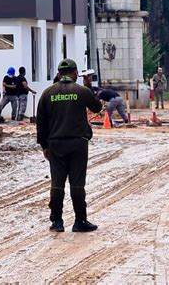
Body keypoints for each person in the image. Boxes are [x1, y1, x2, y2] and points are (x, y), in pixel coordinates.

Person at [36, 58, 102, 233]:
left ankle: (56, 222)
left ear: (59, 74)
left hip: (55, 144)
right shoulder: (81, 91)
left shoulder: (47, 93)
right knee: (77, 183)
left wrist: (44, 145)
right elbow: (97, 107)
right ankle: (80, 221)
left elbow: (40, 123)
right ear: (75, 73)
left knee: (57, 183)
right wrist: (88, 85)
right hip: (78, 144)